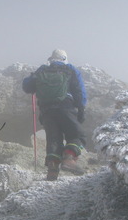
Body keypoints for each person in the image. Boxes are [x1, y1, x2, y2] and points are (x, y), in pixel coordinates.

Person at [22, 49, 87, 180]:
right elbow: (79, 90)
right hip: (65, 107)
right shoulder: (70, 69)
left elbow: (27, 87)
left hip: (47, 111)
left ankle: (52, 170)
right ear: (65, 58)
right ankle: (69, 159)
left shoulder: (42, 70)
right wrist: (81, 109)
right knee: (77, 135)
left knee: (53, 139)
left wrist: (33, 76)